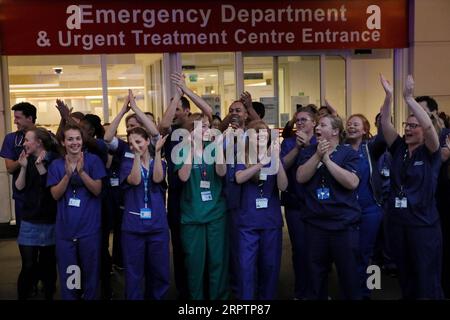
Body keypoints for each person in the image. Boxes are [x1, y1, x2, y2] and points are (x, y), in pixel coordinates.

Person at [380, 74, 443, 299]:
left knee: (426, 280)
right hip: (400, 224)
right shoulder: (399, 148)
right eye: (407, 125)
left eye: (413, 126)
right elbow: (384, 124)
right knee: (405, 278)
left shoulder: (431, 152)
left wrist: (408, 98)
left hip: (423, 227)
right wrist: (389, 97)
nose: (408, 129)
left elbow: (428, 127)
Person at [159, 72, 213, 300]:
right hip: (179, 197)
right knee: (181, 248)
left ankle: (205, 288)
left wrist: (186, 90)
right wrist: (176, 97)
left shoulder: (200, 131)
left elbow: (210, 113)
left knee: (204, 249)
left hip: (203, 197)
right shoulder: (173, 135)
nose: (173, 113)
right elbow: (162, 124)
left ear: (188, 112)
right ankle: (185, 292)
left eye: (178, 109)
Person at [297, 114, 361, 300]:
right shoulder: (309, 151)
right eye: (317, 125)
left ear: (334, 131)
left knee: (349, 276)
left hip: (343, 226)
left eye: (322, 125)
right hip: (315, 226)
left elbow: (352, 182)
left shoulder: (349, 153)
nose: (317, 128)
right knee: (316, 276)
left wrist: (327, 161)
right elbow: (301, 177)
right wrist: (317, 155)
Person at [47, 124, 106, 300]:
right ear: (63, 142)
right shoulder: (56, 165)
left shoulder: (93, 161)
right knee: (69, 275)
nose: (74, 143)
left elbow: (97, 190)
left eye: (78, 139)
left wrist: (80, 172)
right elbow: (55, 195)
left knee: (90, 275)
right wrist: (67, 176)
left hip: (89, 230)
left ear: (82, 141)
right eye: (70, 139)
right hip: (65, 231)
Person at [176, 113, 229, 300]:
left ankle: (219, 299)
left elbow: (222, 172)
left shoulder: (213, 148)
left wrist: (218, 146)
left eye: (208, 126)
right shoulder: (181, 150)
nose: (207, 130)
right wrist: (191, 147)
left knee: (218, 261)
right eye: (203, 126)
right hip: (193, 215)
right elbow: (183, 176)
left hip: (216, 213)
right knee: (195, 263)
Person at [234, 120, 288, 299]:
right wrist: (259, 164)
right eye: (256, 133)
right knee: (246, 268)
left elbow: (283, 185)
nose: (260, 137)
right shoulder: (242, 156)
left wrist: (276, 159)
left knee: (270, 268)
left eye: (264, 134)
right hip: (247, 223)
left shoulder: (274, 157)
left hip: (270, 222)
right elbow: (239, 178)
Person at [119, 127, 170, 299]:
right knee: (134, 273)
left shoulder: (160, 162)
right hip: (134, 227)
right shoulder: (126, 163)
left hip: (157, 225)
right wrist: (136, 156)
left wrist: (157, 153)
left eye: (138, 142)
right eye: (131, 143)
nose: (134, 146)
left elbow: (157, 179)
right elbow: (135, 180)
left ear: (147, 141)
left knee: (159, 271)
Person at [345, 113, 387, 299]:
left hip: (370, 209)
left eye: (356, 124)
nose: (351, 127)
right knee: (349, 253)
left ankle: (368, 291)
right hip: (346, 210)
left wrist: (386, 104)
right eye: (349, 124)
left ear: (365, 130)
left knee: (368, 252)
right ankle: (352, 291)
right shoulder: (340, 150)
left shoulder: (371, 149)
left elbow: (385, 136)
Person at [15, 127, 58, 300]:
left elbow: (51, 190)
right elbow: (19, 187)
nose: (24, 143)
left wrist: (41, 168)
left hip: (49, 220)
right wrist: (24, 168)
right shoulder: (27, 159)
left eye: (27, 140)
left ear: (39, 142)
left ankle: (48, 294)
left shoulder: (54, 160)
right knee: (28, 265)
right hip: (30, 220)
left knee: (48, 265)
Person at [281, 106, 317, 300]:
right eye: (298, 120)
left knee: (318, 251)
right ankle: (301, 292)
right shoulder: (288, 143)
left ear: (314, 122)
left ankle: (317, 292)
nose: (300, 123)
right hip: (296, 203)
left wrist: (310, 146)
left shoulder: (321, 142)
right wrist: (297, 147)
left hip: (319, 205)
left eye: (304, 120)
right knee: (300, 250)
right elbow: (283, 165)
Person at [0, 102, 37, 227]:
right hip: (22, 196)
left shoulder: (45, 136)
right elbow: (10, 168)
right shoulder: (11, 139)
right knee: (24, 238)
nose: (15, 121)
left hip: (43, 195)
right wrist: (24, 157)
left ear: (30, 118)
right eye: (14, 117)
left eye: (18, 118)